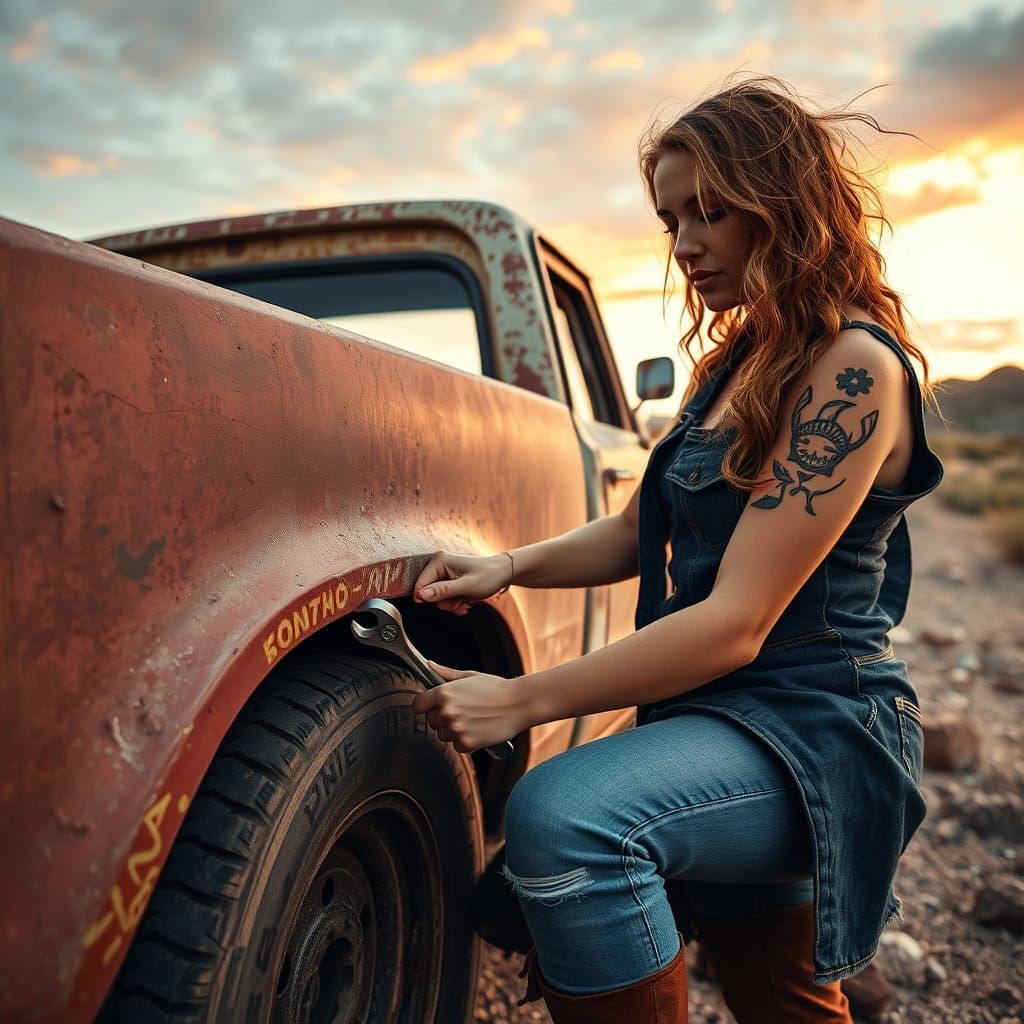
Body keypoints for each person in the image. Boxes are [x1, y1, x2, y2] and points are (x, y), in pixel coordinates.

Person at [410, 74, 943, 1024]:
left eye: (710, 211)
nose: (686, 243)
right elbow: (636, 528)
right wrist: (509, 567)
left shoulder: (851, 371)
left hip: (818, 729)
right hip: (721, 717)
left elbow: (738, 623)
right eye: (670, 221)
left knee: (566, 816)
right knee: (780, 993)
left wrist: (522, 700)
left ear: (782, 204)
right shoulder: (739, 360)